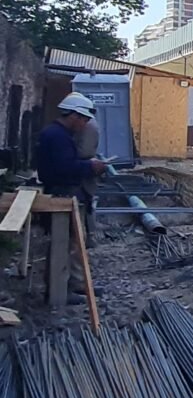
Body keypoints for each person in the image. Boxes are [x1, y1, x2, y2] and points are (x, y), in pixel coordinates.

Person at [36, 93, 107, 303]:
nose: (84, 124)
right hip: (61, 192)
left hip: (63, 190)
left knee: (74, 242)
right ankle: (58, 292)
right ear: (73, 115)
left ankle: (72, 284)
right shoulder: (58, 137)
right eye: (83, 119)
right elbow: (64, 168)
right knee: (62, 243)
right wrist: (90, 167)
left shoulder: (58, 134)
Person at [74, 105, 100, 237]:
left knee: (86, 201)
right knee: (87, 200)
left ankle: (89, 235)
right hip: (86, 166)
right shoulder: (91, 124)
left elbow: (85, 151)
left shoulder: (89, 125)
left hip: (85, 168)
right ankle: (89, 235)